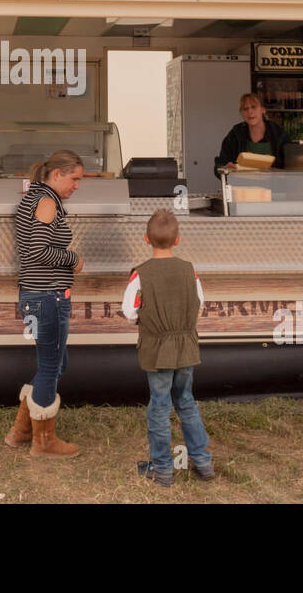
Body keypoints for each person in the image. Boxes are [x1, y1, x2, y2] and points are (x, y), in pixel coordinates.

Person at [122, 209, 214, 487]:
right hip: (186, 347)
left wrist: (145, 320)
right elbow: (199, 303)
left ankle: (162, 468)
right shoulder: (190, 270)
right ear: (178, 240)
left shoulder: (140, 274)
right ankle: (202, 461)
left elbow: (129, 311)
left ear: (145, 239)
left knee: (160, 406)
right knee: (186, 401)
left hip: (157, 350)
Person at [4, 149, 85, 458]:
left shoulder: (36, 198)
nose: (77, 185)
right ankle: (43, 442)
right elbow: (37, 251)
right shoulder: (48, 202)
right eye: (74, 178)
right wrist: (72, 259)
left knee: (54, 363)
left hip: (36, 296)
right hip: (46, 298)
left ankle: (22, 431)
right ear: (56, 175)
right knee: (52, 365)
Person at [216, 92, 290, 180]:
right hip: (243, 190)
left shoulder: (279, 134)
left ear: (263, 109)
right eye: (245, 109)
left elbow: (292, 170)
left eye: (254, 107)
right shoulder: (235, 134)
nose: (250, 112)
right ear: (241, 113)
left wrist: (274, 173)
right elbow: (219, 166)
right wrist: (226, 169)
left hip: (275, 191)